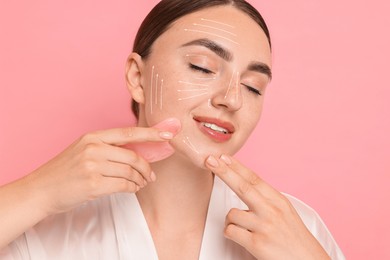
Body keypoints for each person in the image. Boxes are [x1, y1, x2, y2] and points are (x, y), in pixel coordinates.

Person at [0, 0, 345, 259]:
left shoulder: (299, 229)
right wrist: (37, 192)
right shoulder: (43, 227)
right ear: (138, 77)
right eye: (203, 67)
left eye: (254, 86)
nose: (233, 99)